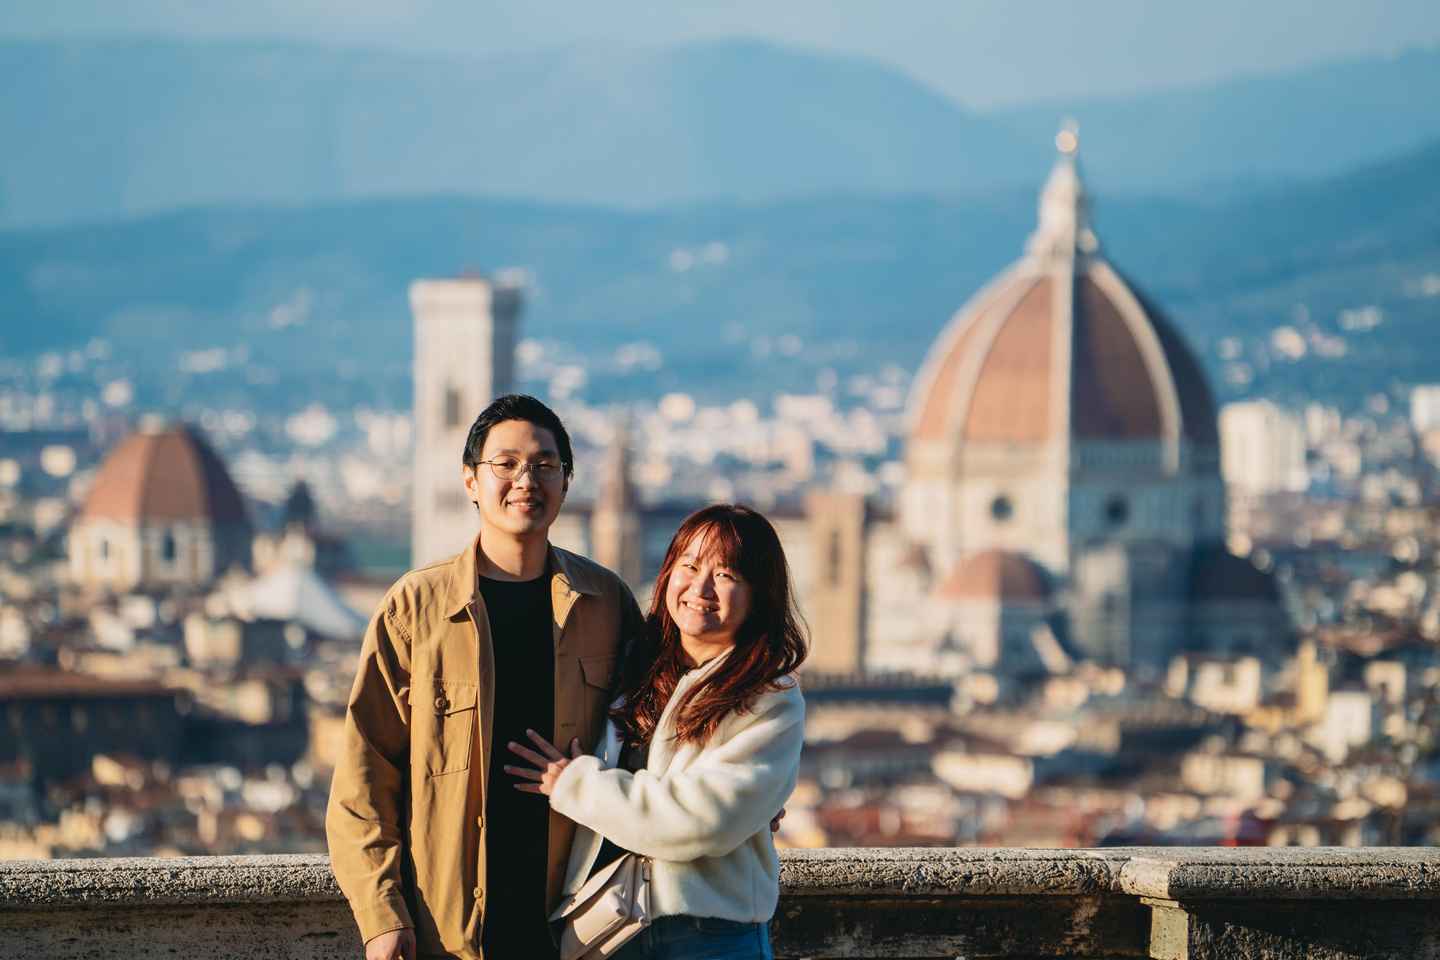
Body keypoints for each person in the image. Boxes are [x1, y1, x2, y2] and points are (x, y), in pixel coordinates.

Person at [326, 394, 644, 960]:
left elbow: (657, 729)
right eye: (507, 463)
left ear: (566, 485)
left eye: (546, 465)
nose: (527, 479)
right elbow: (363, 779)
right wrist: (381, 917)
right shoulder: (415, 611)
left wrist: (732, 793)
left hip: (577, 929)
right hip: (448, 935)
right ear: (471, 481)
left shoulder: (608, 604)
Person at [506, 503, 807, 960]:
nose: (700, 587)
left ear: (759, 595)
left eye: (726, 575)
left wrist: (573, 784)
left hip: (709, 937)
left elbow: (699, 821)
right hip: (612, 927)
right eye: (689, 565)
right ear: (667, 573)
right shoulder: (632, 664)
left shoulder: (769, 697)